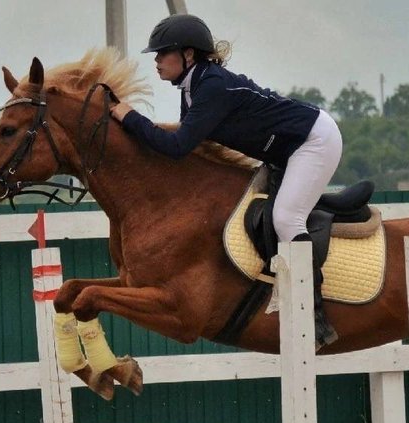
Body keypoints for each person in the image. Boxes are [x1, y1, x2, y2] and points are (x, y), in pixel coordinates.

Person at [110, 13, 344, 347]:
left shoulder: (211, 86)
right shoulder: (192, 87)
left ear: (188, 55)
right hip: (285, 151)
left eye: (163, 53)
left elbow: (177, 147)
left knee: (286, 218)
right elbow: (190, 143)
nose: (157, 61)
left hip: (313, 142)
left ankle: (314, 315)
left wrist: (129, 116)